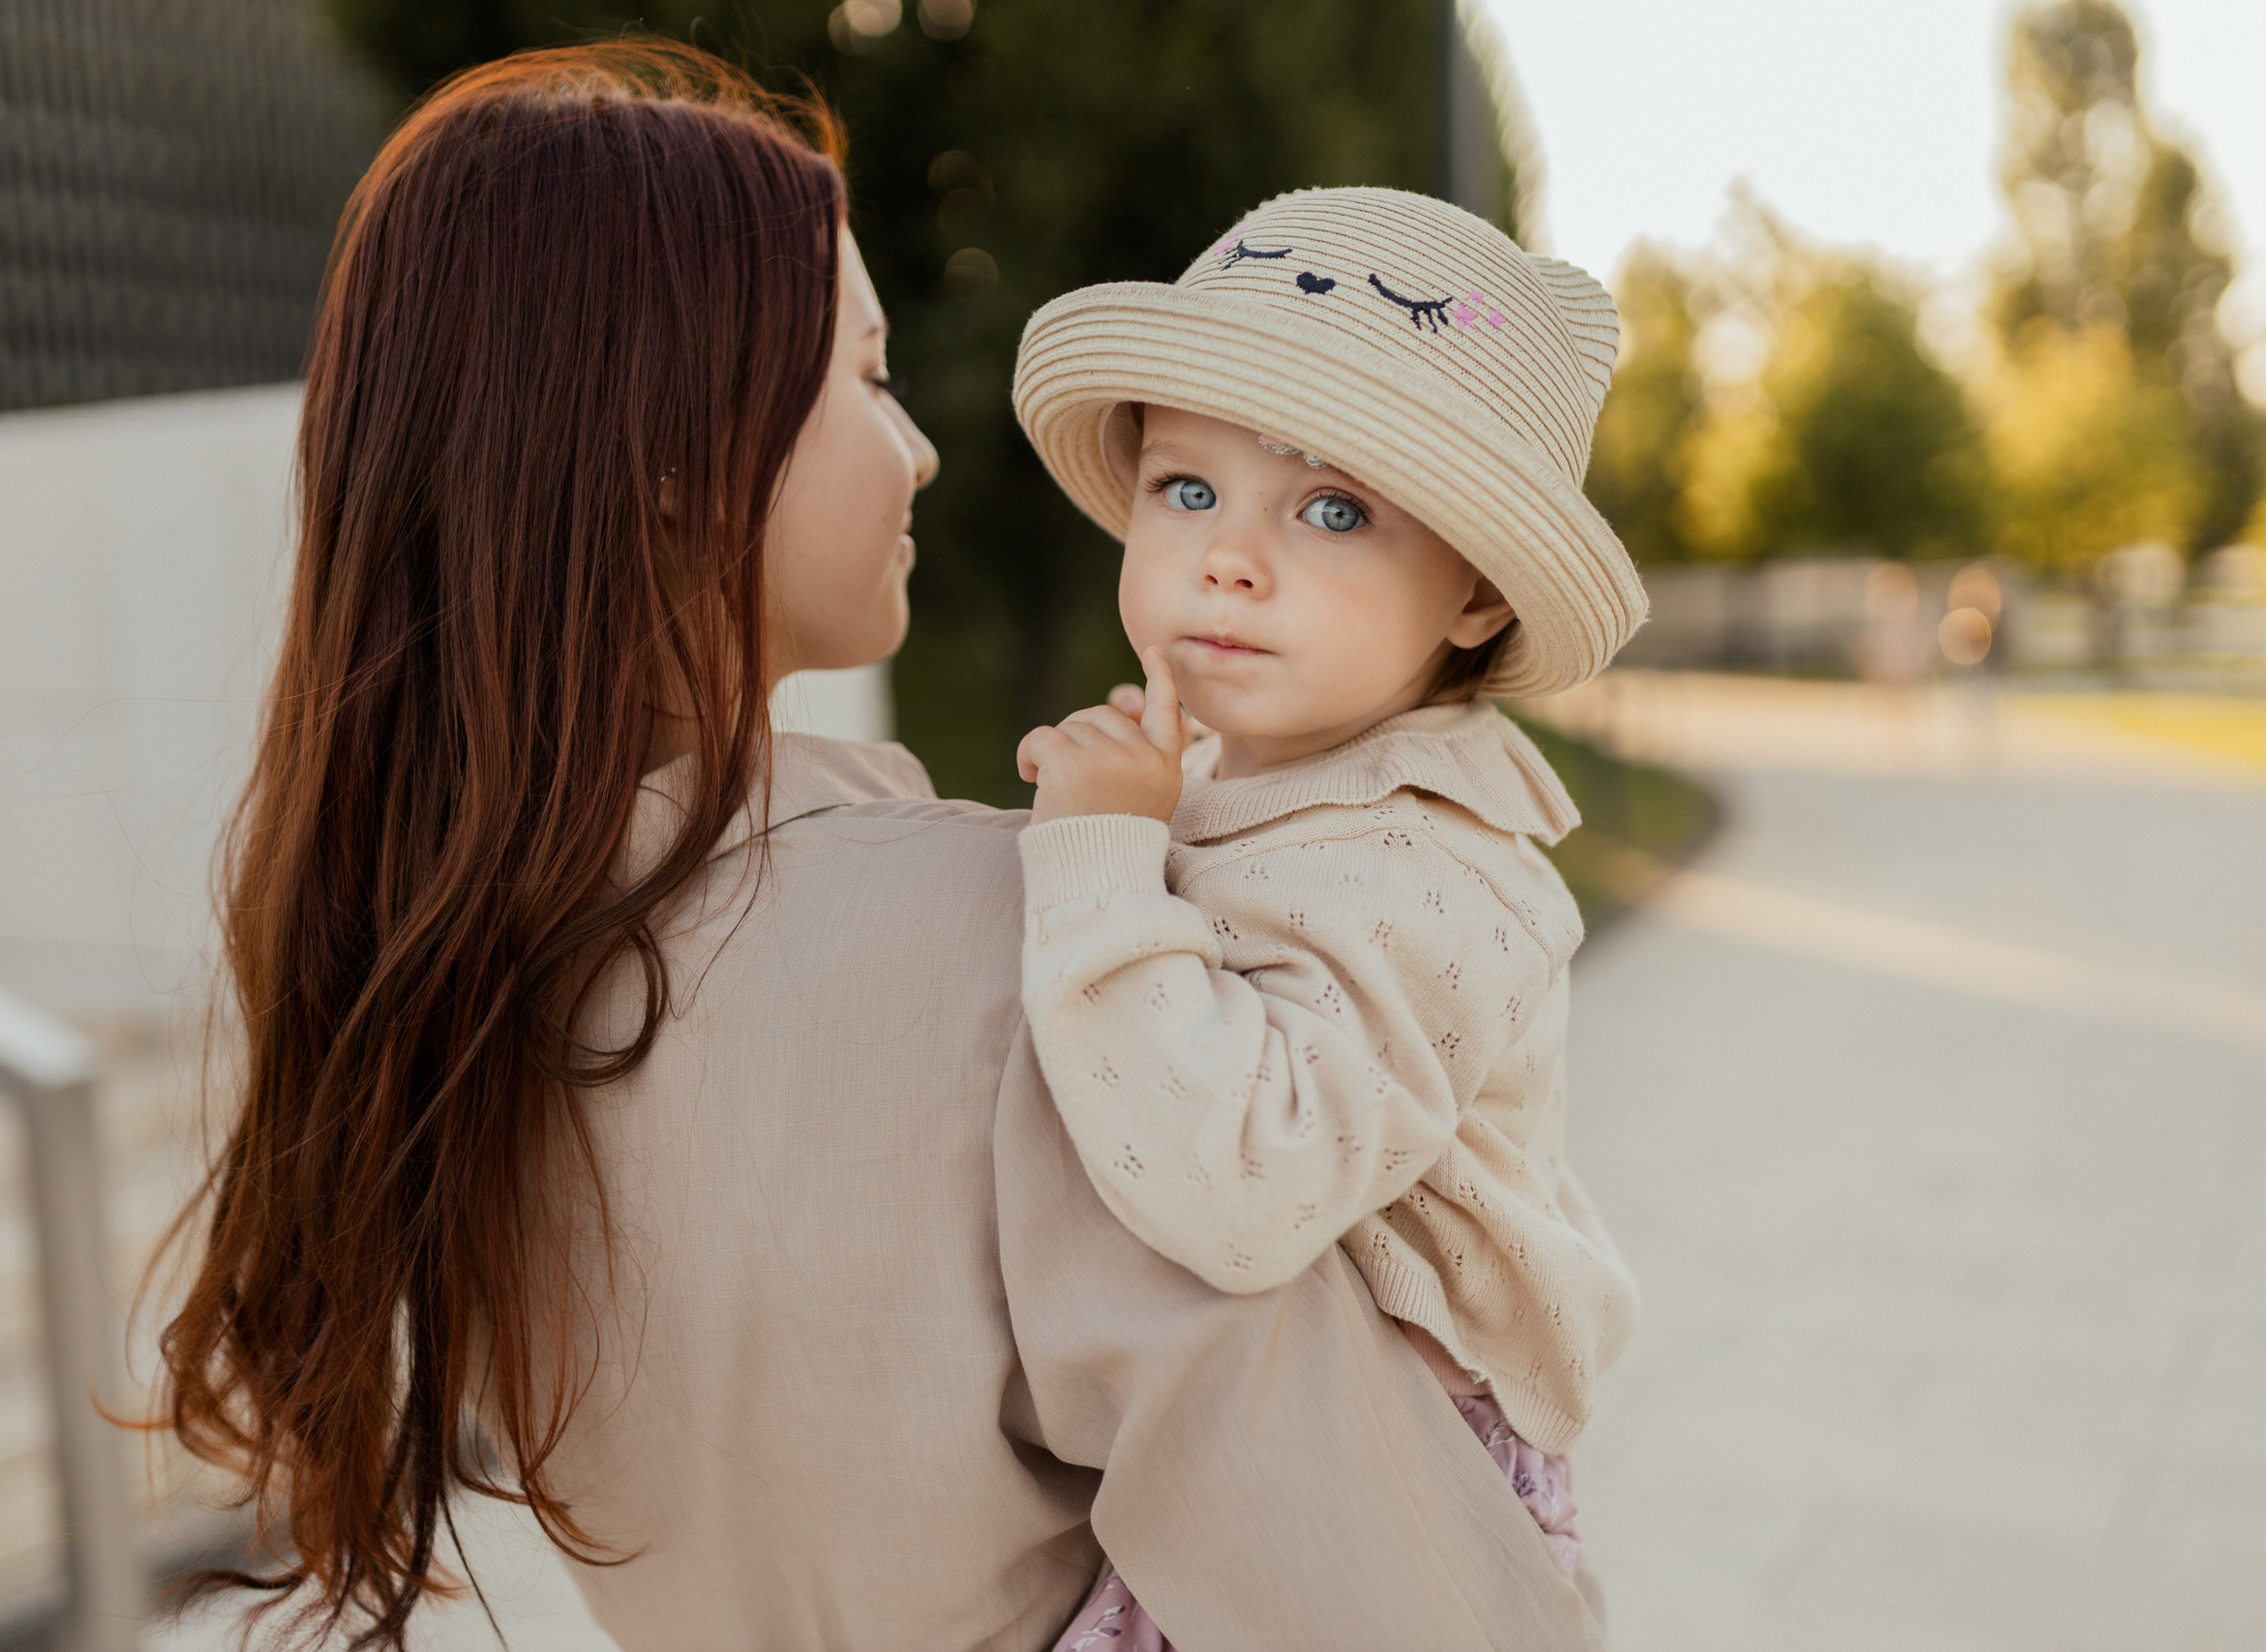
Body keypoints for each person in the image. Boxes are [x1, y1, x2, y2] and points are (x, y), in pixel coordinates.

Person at [155, 47, 1601, 1652]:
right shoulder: (1023, 941)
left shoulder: (455, 980)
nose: (916, 448)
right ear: (671, 454)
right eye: (867, 372)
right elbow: (1389, 1592)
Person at [1008, 188, 1650, 1641]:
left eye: (1334, 508)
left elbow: (1247, 1186)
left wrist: (1106, 865)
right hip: (1254, 1420)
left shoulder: (1436, 872)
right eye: (1187, 491)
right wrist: (1130, 820)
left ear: (1479, 591)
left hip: (1374, 1493)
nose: (1229, 558)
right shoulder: (1248, 782)